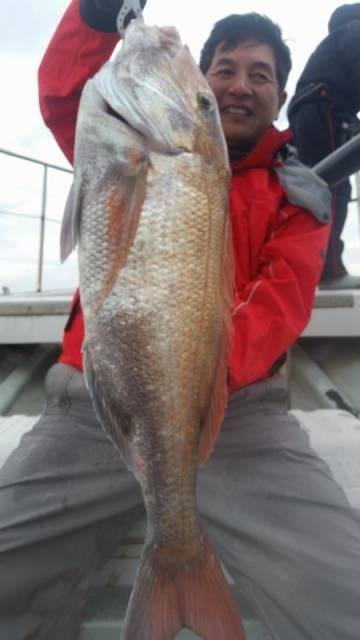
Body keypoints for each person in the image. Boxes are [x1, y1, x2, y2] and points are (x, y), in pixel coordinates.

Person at [1, 2, 360, 639]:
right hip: (91, 404)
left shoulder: (298, 198)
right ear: (203, 81)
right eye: (222, 71)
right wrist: (93, 16)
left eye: (261, 75)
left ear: (279, 97)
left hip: (242, 416)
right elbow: (63, 92)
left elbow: (280, 307)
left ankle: (181, 558)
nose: (240, 85)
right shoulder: (115, 142)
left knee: (342, 586)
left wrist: (186, 387)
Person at [288, 3, 360, 289]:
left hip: (309, 111)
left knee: (317, 184)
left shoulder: (332, 43)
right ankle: (328, 271)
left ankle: (314, 267)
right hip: (325, 108)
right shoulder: (354, 31)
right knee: (332, 187)